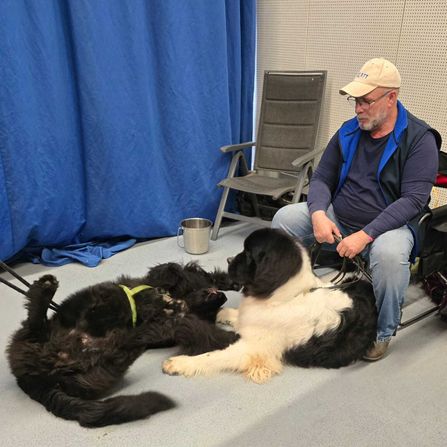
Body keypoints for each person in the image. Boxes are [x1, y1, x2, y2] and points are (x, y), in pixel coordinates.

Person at [272, 57, 441, 361]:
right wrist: (318, 213)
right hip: (340, 216)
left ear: (391, 98)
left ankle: (382, 333)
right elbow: (322, 178)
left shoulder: (419, 139)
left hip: (389, 226)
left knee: (389, 257)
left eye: (366, 101)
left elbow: (413, 200)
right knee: (284, 219)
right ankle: (289, 298)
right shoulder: (349, 131)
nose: (358, 109)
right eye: (355, 101)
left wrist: (365, 235)